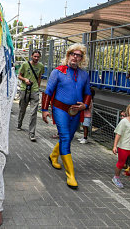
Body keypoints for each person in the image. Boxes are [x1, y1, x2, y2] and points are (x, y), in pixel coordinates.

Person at [41, 44, 92, 189]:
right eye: (73, 54)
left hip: (76, 111)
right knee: (65, 137)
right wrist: (45, 110)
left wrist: (85, 105)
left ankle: (53, 156)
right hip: (60, 109)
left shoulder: (84, 74)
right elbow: (48, 91)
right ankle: (71, 175)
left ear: (82, 58)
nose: (75, 57)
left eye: (79, 55)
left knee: (69, 137)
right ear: (68, 55)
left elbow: (88, 92)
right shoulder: (57, 72)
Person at [17, 50, 45, 142]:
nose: (36, 58)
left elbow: (40, 77)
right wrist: (25, 79)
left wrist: (38, 87)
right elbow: (19, 76)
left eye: (38, 57)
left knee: (33, 112)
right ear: (31, 56)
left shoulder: (41, 66)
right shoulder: (25, 65)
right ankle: (19, 124)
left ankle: (32, 133)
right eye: (35, 56)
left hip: (35, 91)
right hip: (25, 90)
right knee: (22, 109)